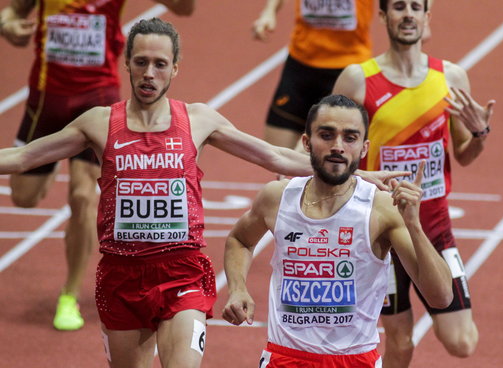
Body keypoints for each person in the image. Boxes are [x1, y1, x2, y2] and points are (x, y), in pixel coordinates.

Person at [0, 18, 405, 368]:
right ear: (127, 65)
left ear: (175, 68)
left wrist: (365, 175)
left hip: (182, 273)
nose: (149, 74)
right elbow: (22, 159)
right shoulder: (99, 123)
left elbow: (276, 157)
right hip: (121, 276)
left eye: (160, 64)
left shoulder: (196, 120)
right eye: (140, 63)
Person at [0, 0, 195, 331]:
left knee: (82, 196)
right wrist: (8, 26)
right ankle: (51, 162)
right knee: (24, 196)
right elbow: (12, 13)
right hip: (47, 98)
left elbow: (184, 9)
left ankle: (68, 294)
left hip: (97, 97)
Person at [222, 94, 453, 367]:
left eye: (350, 137)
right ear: (307, 143)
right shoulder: (277, 197)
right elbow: (239, 239)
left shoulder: (380, 208)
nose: (338, 146)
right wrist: (237, 288)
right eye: (327, 135)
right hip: (284, 358)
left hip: (355, 361)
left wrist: (414, 226)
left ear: (364, 148)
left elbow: (441, 297)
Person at [332, 0, 496, 366]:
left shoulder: (451, 77)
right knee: (401, 341)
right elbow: (333, 144)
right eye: (399, 6)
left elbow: (464, 154)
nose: (408, 14)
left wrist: (480, 133)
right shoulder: (358, 79)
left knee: (462, 342)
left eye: (415, 7)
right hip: (383, 226)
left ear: (427, 16)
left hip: (434, 225)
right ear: (383, 16)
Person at [252, 0, 376, 149]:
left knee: (334, 158)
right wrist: (269, 11)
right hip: (300, 65)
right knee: (274, 155)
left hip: (347, 72)